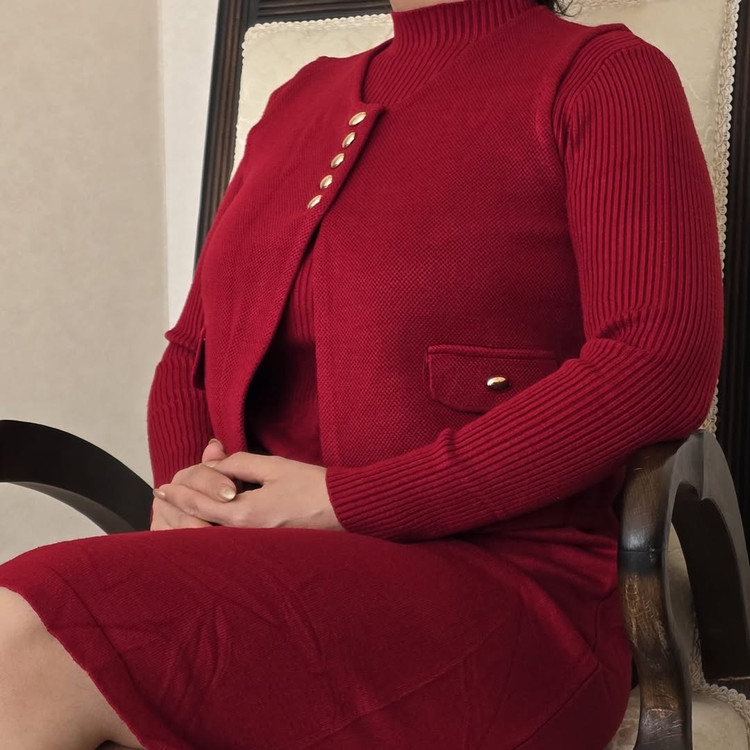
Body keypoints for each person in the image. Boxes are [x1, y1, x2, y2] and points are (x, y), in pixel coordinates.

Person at [0, 0, 723, 747]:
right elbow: (192, 354)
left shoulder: (605, 76)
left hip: (509, 597)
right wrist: (194, 502)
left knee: (25, 636)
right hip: (258, 573)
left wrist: (352, 503)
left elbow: (656, 362)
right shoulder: (298, 100)